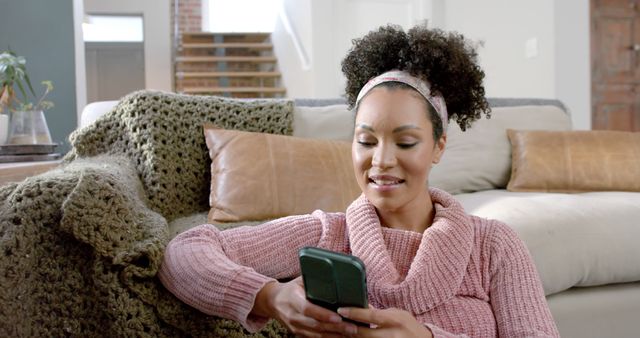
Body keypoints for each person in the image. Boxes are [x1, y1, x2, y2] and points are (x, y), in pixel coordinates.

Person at [159, 25, 560, 338]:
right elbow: (186, 251)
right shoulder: (326, 235)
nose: (381, 161)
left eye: (405, 142)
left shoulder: (493, 246)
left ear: (438, 147)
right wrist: (271, 298)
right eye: (366, 141)